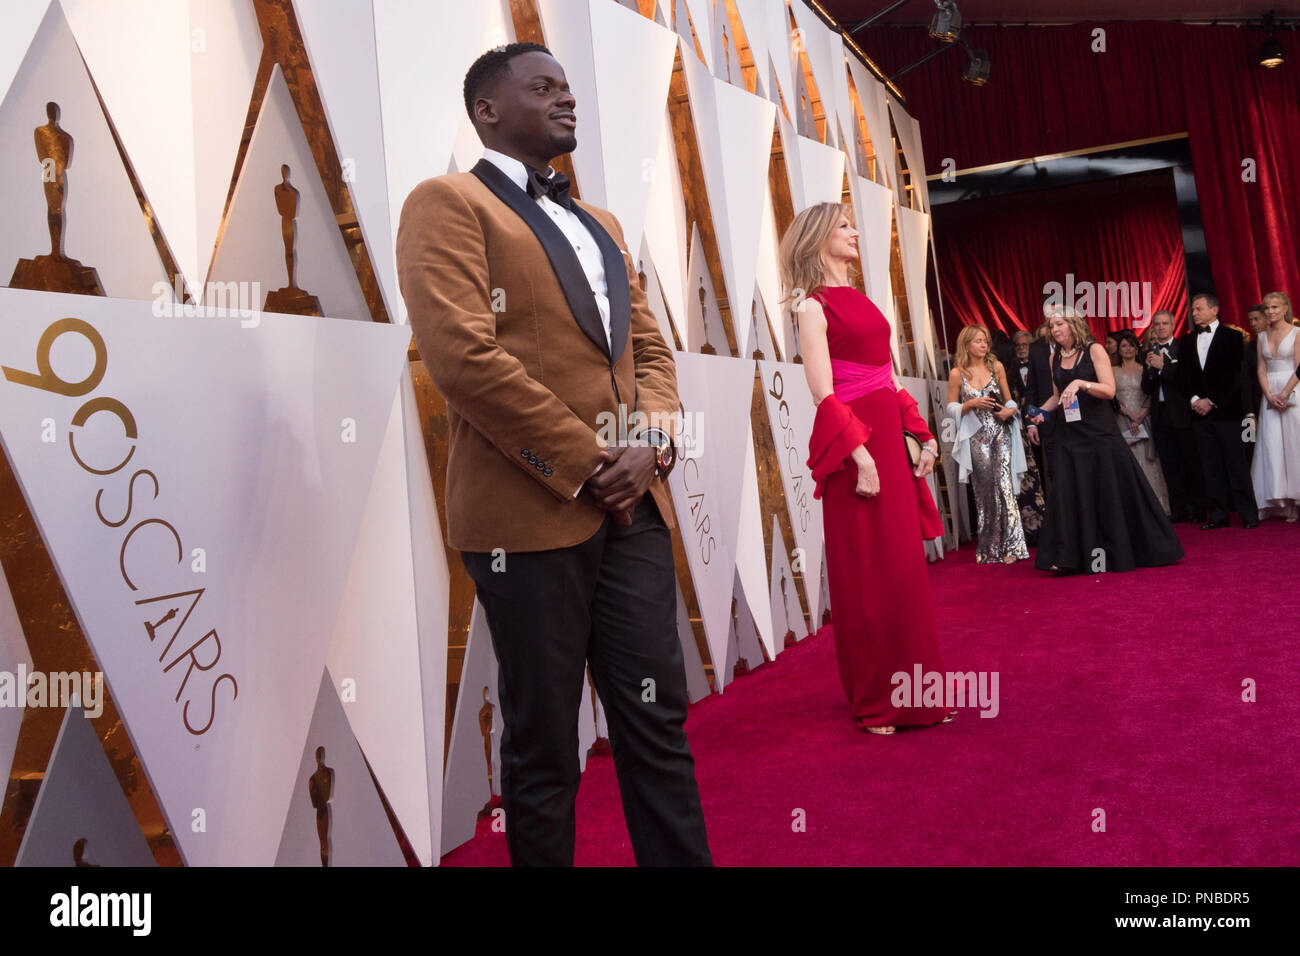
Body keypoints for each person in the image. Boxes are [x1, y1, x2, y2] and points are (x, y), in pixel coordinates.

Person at [395, 43, 710, 866]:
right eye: (544, 88)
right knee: (543, 748)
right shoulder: (448, 202)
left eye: (569, 88)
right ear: (488, 111)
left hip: (636, 506)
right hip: (527, 517)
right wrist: (592, 460)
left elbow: (650, 352)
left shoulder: (601, 222)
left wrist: (650, 444)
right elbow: (461, 358)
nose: (566, 100)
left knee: (659, 724)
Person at [781, 202, 952, 734]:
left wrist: (922, 435)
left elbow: (890, 380)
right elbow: (821, 393)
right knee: (867, 577)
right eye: (844, 226)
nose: (855, 233)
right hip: (853, 453)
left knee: (903, 572)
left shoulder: (864, 301)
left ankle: (921, 693)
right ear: (817, 239)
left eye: (856, 223)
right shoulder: (811, 307)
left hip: (889, 447)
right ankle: (878, 699)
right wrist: (861, 457)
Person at [1029, 310, 1183, 572]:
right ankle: (1069, 557)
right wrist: (1039, 413)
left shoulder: (1094, 350)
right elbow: (1058, 396)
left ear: (1073, 324)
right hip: (1070, 435)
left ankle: (1125, 550)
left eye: (1059, 324)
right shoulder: (1054, 357)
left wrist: (1081, 383)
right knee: (1071, 492)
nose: (1054, 329)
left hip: (1099, 432)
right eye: (1051, 325)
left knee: (1109, 490)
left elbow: (1108, 389)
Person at [945, 325, 1030, 563]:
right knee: (984, 490)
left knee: (1004, 486)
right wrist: (971, 404)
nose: (983, 345)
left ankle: (1013, 547)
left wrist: (1008, 410)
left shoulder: (997, 367)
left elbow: (1010, 398)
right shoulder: (957, 373)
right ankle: (990, 548)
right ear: (967, 345)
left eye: (985, 341)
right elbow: (951, 408)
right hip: (975, 436)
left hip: (1000, 432)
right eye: (978, 341)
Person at [1176, 293, 1259, 529]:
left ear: (1215, 309)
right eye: (1193, 310)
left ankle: (1248, 514)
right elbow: (1183, 376)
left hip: (1227, 412)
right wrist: (1194, 399)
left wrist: (1211, 400)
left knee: (1237, 464)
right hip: (1199, 415)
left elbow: (1234, 375)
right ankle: (1219, 516)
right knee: (1209, 466)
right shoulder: (1188, 340)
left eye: (1199, 309)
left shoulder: (1232, 337)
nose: (1194, 313)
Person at [1142, 310, 1205, 522]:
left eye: (1164, 324)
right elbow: (1146, 387)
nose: (1160, 327)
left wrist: (1163, 367)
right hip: (1160, 417)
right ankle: (1179, 511)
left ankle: (1198, 509)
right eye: (1156, 324)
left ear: (1172, 325)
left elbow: (1187, 380)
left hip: (1182, 415)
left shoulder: (1183, 348)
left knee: (1191, 463)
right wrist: (1151, 370)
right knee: (1169, 465)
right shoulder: (1149, 352)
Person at [1252, 291, 1300, 521]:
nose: (1270, 311)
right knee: (1273, 446)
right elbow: (1261, 369)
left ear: (1284, 308)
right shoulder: (1261, 336)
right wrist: (1269, 395)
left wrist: (1284, 392)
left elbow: (1299, 367)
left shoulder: (1297, 333)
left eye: (1275, 307)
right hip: (1270, 394)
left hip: (1293, 391)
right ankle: (1284, 501)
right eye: (1267, 308)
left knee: (1294, 444)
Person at [1113, 330, 1170, 515]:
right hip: (1122, 419)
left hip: (1145, 418)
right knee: (1127, 461)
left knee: (1149, 460)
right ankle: (1133, 509)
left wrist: (1140, 415)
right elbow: (1112, 397)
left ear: (1137, 348)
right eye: (1123, 346)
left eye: (1131, 345)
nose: (1128, 349)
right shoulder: (1113, 371)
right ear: (1118, 350)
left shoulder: (1145, 368)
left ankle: (1156, 508)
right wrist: (1129, 414)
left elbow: (1151, 393)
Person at [1025, 313, 1060, 488]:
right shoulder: (1037, 349)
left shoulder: (1083, 345)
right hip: (1048, 417)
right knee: (1054, 468)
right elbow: (1031, 389)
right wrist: (1032, 424)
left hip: (1077, 417)